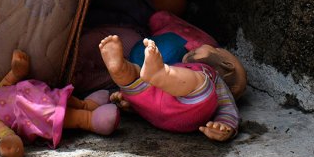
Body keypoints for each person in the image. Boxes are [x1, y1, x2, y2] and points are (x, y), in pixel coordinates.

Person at [99, 35, 240, 141]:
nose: (195, 48)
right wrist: (133, 106)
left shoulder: (213, 75)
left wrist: (225, 126)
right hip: (156, 102)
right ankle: (120, 69)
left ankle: (132, 72)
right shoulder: (179, 66)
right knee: (138, 78)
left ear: (226, 65)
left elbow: (228, 108)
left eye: (213, 49)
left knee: (201, 81)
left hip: (188, 107)